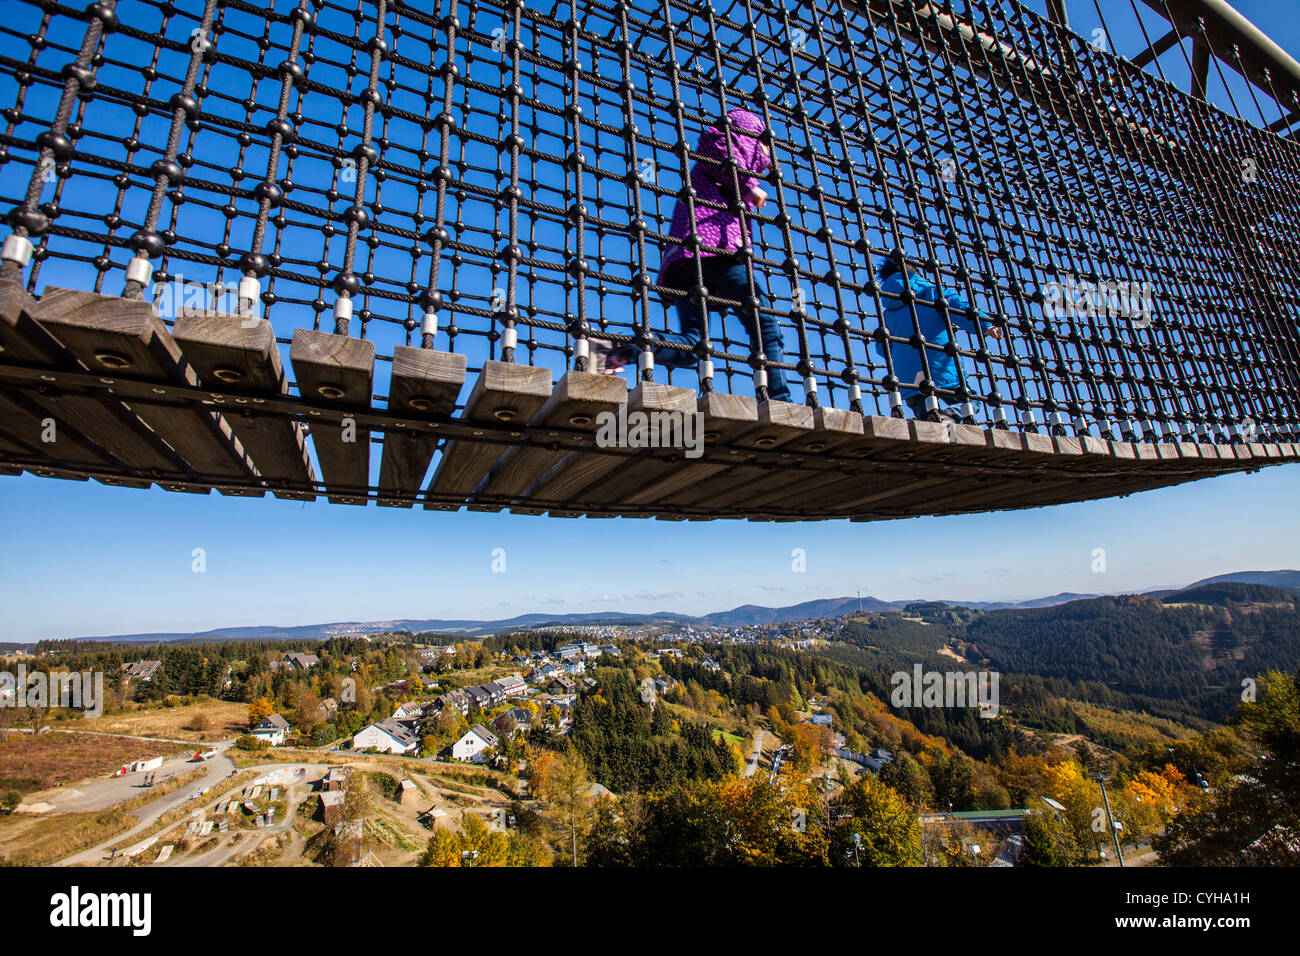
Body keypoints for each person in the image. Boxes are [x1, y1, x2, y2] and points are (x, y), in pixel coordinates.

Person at [593, 108, 793, 402]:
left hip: (686, 263)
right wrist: (750, 187)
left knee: (694, 346)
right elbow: (720, 147)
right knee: (766, 326)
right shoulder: (721, 152)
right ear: (747, 136)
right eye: (762, 143)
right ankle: (780, 398)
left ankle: (613, 350)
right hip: (715, 253)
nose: (766, 153)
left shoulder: (715, 171)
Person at [876, 251, 1001, 422]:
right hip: (939, 363)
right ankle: (949, 416)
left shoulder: (888, 312)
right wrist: (986, 325)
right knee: (969, 401)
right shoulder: (932, 292)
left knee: (921, 404)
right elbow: (961, 308)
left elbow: (882, 347)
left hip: (908, 376)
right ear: (916, 273)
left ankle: (929, 419)